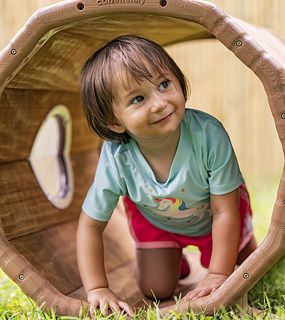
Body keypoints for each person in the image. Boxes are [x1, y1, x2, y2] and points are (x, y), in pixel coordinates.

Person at [76, 34, 257, 316]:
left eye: (164, 84)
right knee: (155, 289)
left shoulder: (209, 135)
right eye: (138, 98)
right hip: (157, 220)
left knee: (246, 271)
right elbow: (90, 225)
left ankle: (240, 248)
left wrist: (218, 274)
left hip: (215, 217)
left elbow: (225, 211)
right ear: (114, 122)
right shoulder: (116, 158)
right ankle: (174, 258)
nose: (160, 103)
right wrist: (97, 288)